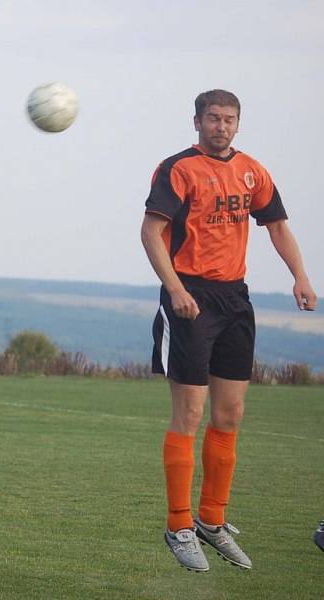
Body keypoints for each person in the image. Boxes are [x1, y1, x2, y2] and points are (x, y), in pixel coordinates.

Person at [141, 89, 318, 572]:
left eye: (229, 119)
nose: (221, 126)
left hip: (235, 298)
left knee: (231, 413)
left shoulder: (253, 170)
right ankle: (178, 524)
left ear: (238, 123)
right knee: (190, 413)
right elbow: (151, 232)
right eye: (213, 118)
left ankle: (211, 521)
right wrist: (175, 289)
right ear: (196, 121)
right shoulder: (178, 169)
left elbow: (277, 225)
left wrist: (300, 276)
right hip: (190, 297)